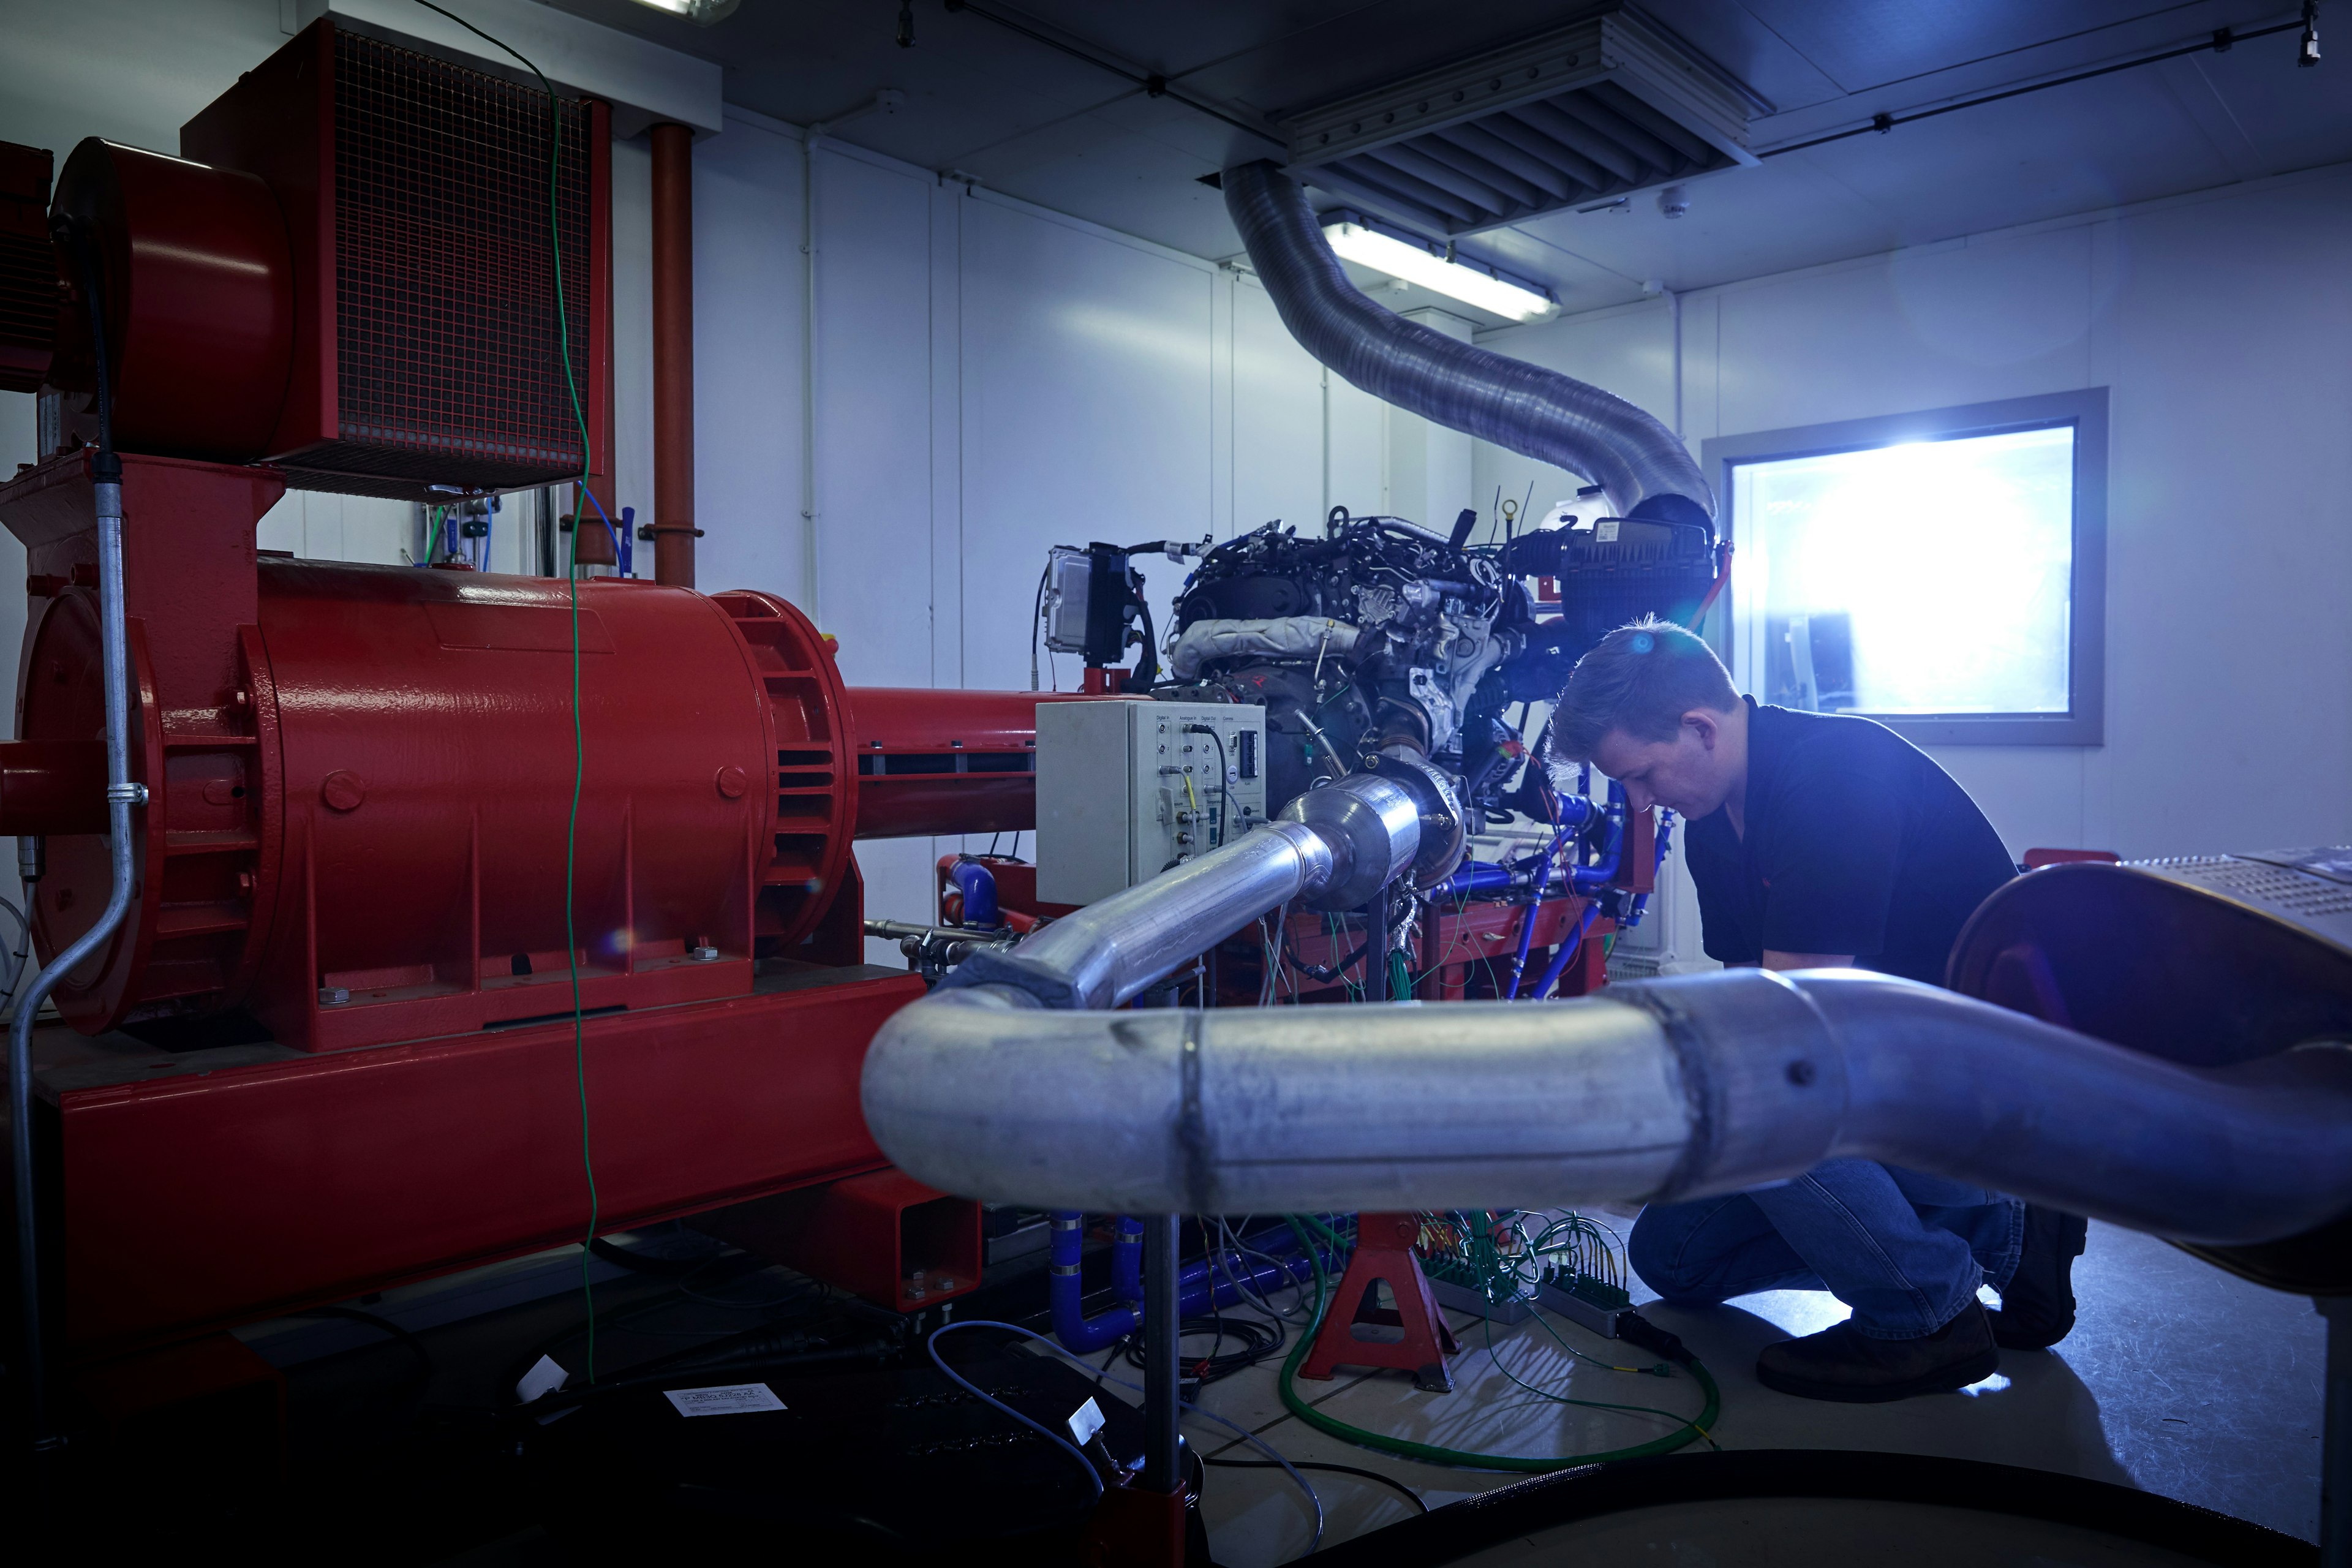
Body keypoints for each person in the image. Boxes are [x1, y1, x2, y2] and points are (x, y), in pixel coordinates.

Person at [1548, 617, 2087, 1402]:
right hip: (1892, 1076)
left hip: (1981, 1100)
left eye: (1642, 776)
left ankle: (1934, 1306)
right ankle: (1981, 1246)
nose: (1639, 803)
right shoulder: (1713, 825)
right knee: (1674, 1259)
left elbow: (1785, 1032)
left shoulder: (1835, 777)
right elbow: (1748, 995)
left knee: (1758, 1097)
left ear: (1700, 727)